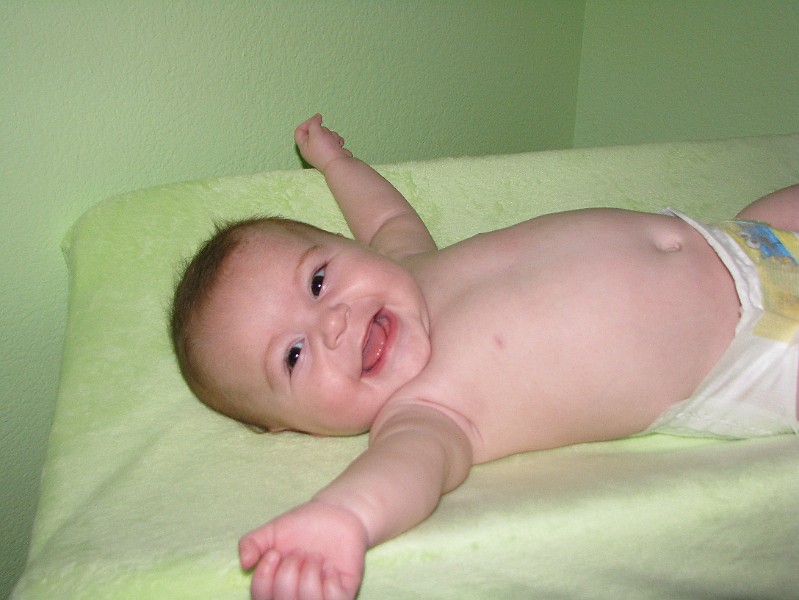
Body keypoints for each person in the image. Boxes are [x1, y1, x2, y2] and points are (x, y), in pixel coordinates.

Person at [170, 114, 799, 600]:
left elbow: (385, 215)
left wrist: (336, 162)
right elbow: (407, 471)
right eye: (294, 356)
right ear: (290, 424)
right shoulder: (424, 411)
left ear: (342, 247)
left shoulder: (407, 264)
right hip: (751, 353)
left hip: (735, 238)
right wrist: (342, 516)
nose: (331, 321)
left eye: (317, 281)